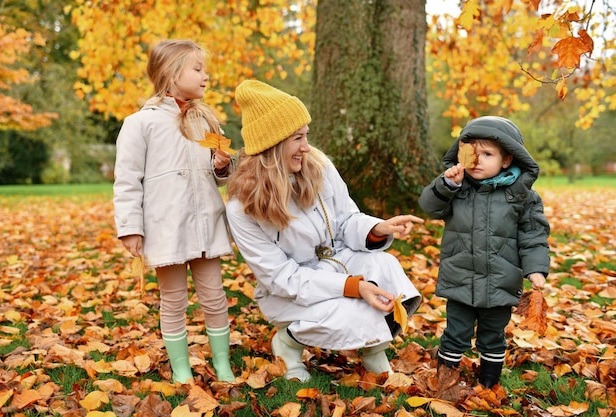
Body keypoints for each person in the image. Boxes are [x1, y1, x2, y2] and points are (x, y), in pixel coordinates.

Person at [225, 79, 423, 382]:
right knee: (347, 309)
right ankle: (288, 344)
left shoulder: (317, 166)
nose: (306, 146)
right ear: (272, 145)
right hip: (289, 293)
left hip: (336, 263)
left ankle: (373, 349)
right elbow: (282, 278)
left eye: (306, 135)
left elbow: (346, 220)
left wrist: (378, 228)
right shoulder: (242, 208)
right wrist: (354, 287)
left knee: (386, 266)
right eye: (297, 138)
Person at [113, 40, 236, 384]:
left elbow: (220, 175)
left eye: (204, 69)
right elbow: (127, 180)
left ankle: (222, 364)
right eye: (197, 69)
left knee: (214, 297)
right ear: (171, 73)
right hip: (166, 227)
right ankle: (182, 369)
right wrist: (130, 228)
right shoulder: (140, 124)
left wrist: (222, 165)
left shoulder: (206, 121)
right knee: (173, 300)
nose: (205, 76)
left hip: (206, 225)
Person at [418, 116, 550, 388]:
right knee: (456, 332)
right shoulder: (457, 187)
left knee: (492, 335)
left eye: (487, 154)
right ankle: (445, 381)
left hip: (500, 281)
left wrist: (535, 268)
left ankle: (489, 384)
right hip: (460, 279)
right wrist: (447, 184)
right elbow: (430, 206)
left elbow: (533, 235)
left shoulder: (522, 195)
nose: (477, 160)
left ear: (507, 160)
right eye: (471, 153)